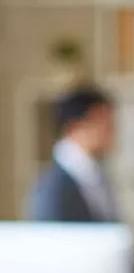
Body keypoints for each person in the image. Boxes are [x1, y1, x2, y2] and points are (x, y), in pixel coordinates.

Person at [29, 87, 119, 223]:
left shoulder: (95, 174)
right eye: (103, 123)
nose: (111, 131)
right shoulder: (52, 188)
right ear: (74, 126)